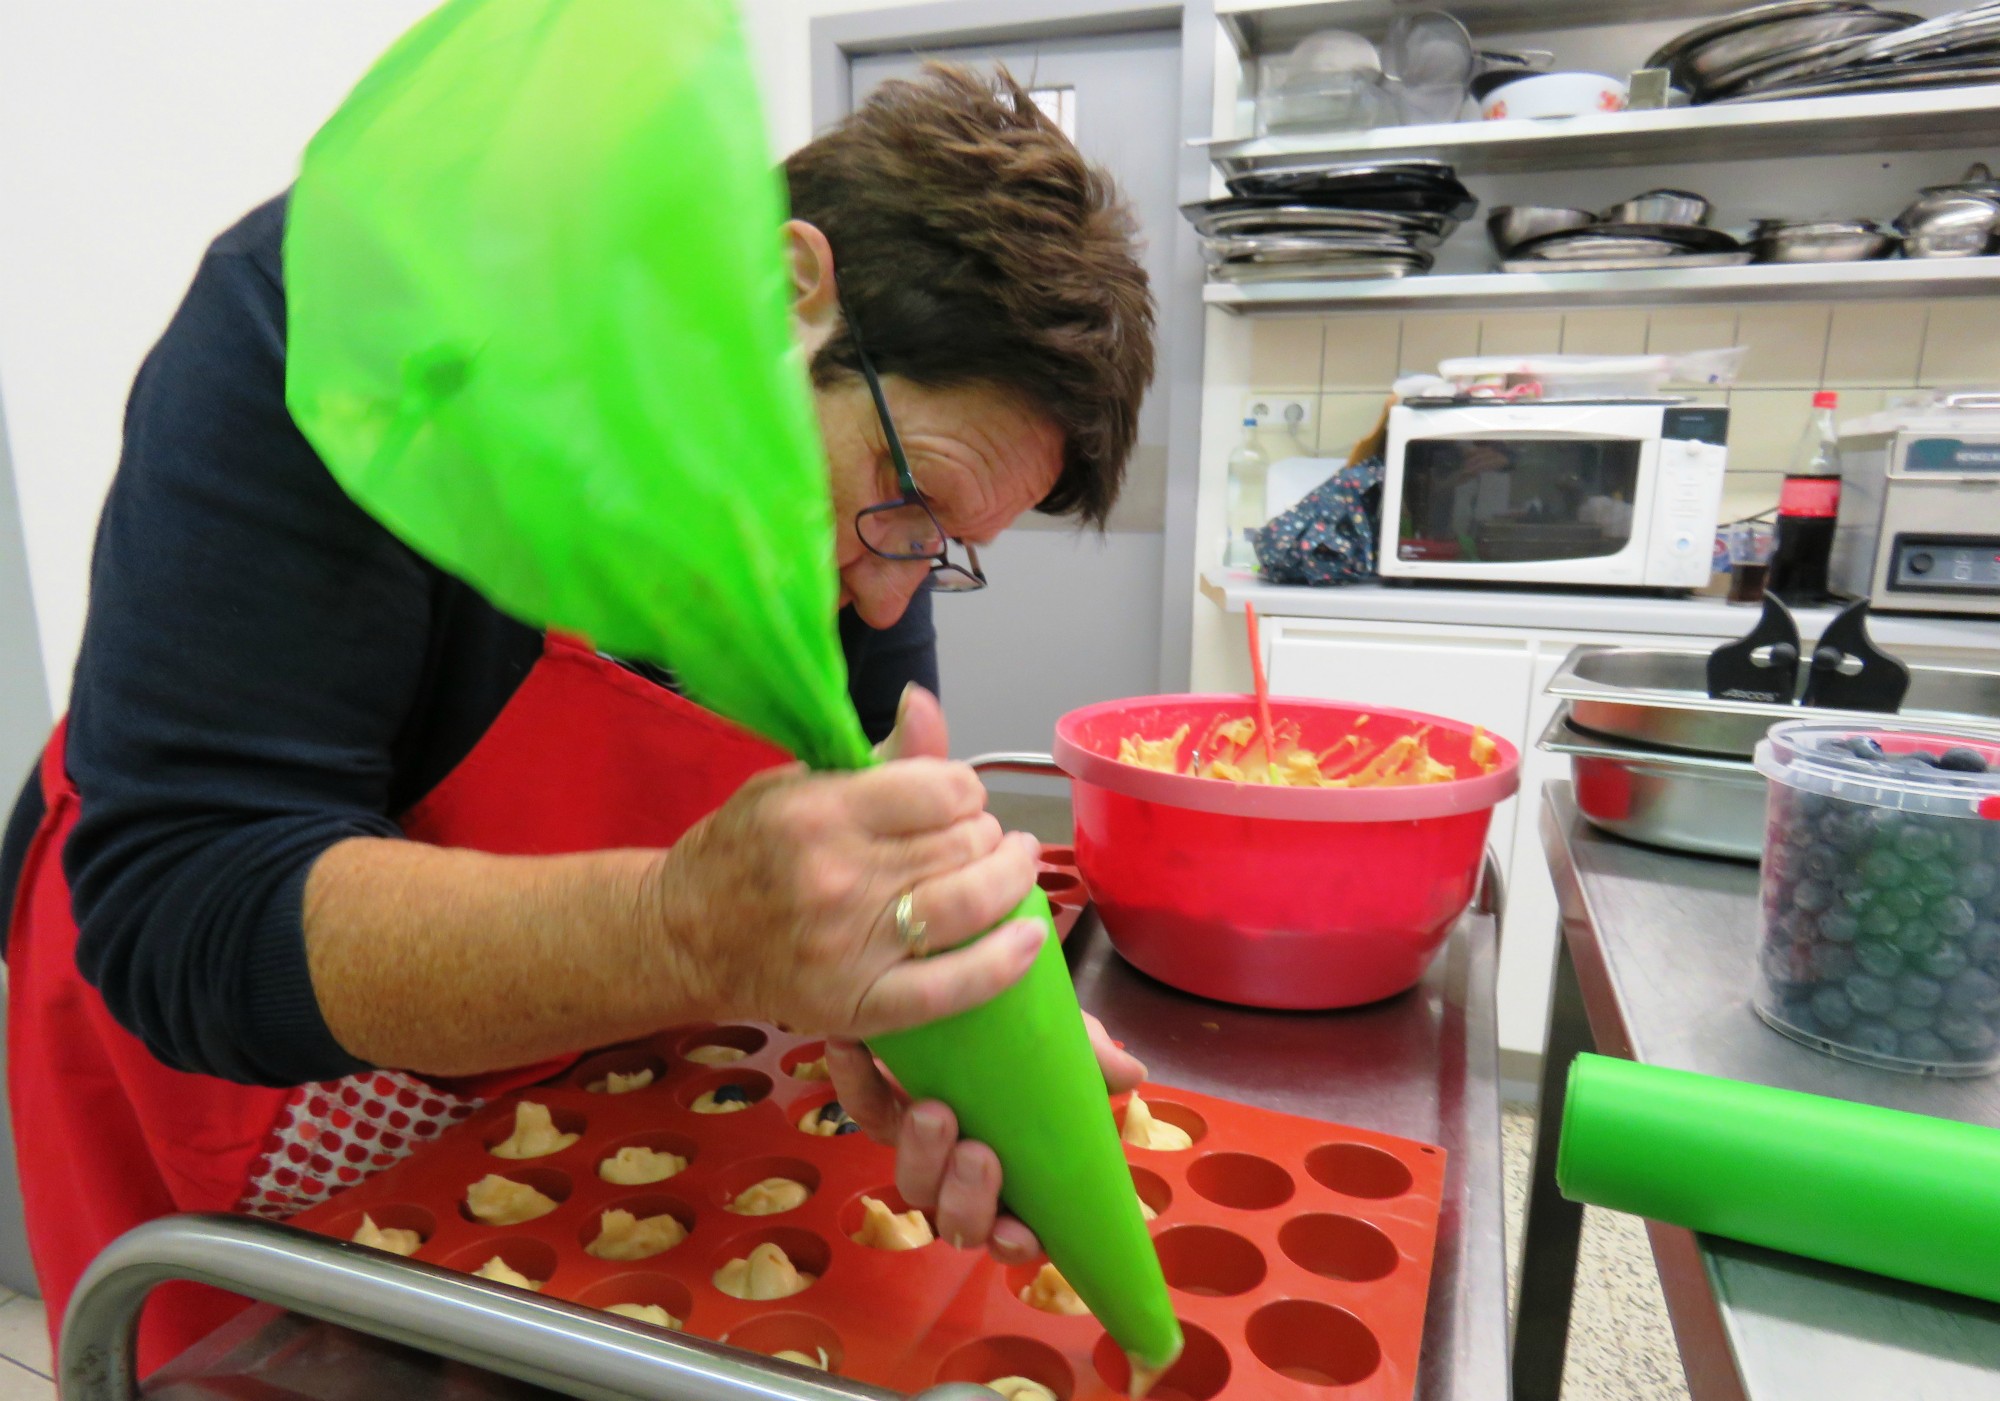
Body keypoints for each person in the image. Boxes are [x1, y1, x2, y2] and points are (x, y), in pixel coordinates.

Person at [0, 65, 1154, 1369]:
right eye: (904, 495)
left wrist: (962, 1026)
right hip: (237, 1060)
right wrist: (680, 929)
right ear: (789, 292)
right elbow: (193, 912)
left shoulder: (859, 538)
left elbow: (869, 841)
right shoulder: (359, 332)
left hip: (556, 1062)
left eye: (945, 547)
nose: (889, 590)